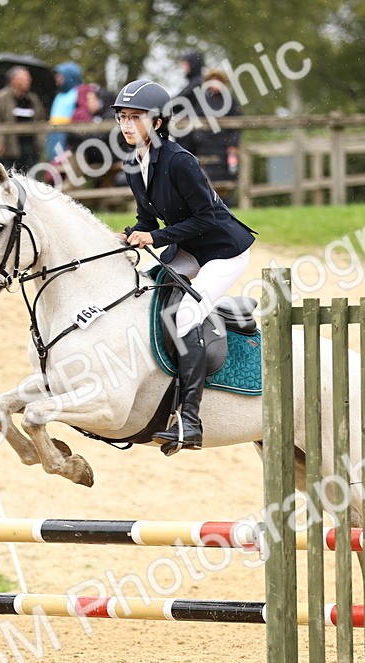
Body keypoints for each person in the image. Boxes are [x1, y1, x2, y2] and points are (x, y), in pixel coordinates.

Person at [113, 79, 257, 455]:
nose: (127, 125)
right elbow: (147, 219)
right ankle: (219, 311)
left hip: (222, 250)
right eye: (123, 118)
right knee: (148, 293)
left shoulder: (180, 161)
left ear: (158, 123)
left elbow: (208, 218)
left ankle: (190, 421)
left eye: (136, 118)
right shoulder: (133, 163)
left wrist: (155, 239)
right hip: (189, 247)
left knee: (186, 318)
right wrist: (131, 234)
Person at [195, 68, 243, 203]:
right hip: (206, 148)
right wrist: (200, 140)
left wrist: (233, 144)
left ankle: (227, 206)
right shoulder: (202, 101)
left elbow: (237, 125)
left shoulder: (231, 101)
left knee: (227, 180)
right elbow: (194, 123)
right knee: (207, 179)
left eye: (218, 80)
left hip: (225, 148)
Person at [0, 66, 46, 174]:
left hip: (31, 148)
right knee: (11, 180)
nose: (28, 81)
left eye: (29, 79)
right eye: (24, 79)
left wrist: (41, 141)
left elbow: (41, 119)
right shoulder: (2, 97)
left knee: (31, 179)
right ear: (13, 80)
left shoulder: (33, 99)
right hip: (10, 148)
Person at [46, 62, 83, 161]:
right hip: (54, 135)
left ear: (69, 76)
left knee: (65, 167)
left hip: (68, 137)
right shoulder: (59, 95)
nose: (57, 79)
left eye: (60, 76)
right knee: (53, 165)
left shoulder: (78, 93)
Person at [172, 51, 206, 155]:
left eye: (185, 64)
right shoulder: (195, 83)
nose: (183, 67)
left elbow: (178, 102)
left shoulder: (198, 83)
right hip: (190, 134)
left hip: (192, 136)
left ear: (192, 64)